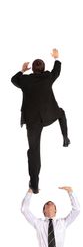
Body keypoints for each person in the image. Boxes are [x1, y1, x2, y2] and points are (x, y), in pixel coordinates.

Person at [11, 49, 70, 193]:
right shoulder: (48, 77)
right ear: (43, 69)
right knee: (61, 113)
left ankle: (35, 185)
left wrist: (22, 70)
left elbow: (13, 80)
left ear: (33, 69)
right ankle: (65, 138)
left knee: (34, 151)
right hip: (49, 115)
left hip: (33, 121)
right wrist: (56, 58)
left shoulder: (24, 81)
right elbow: (57, 70)